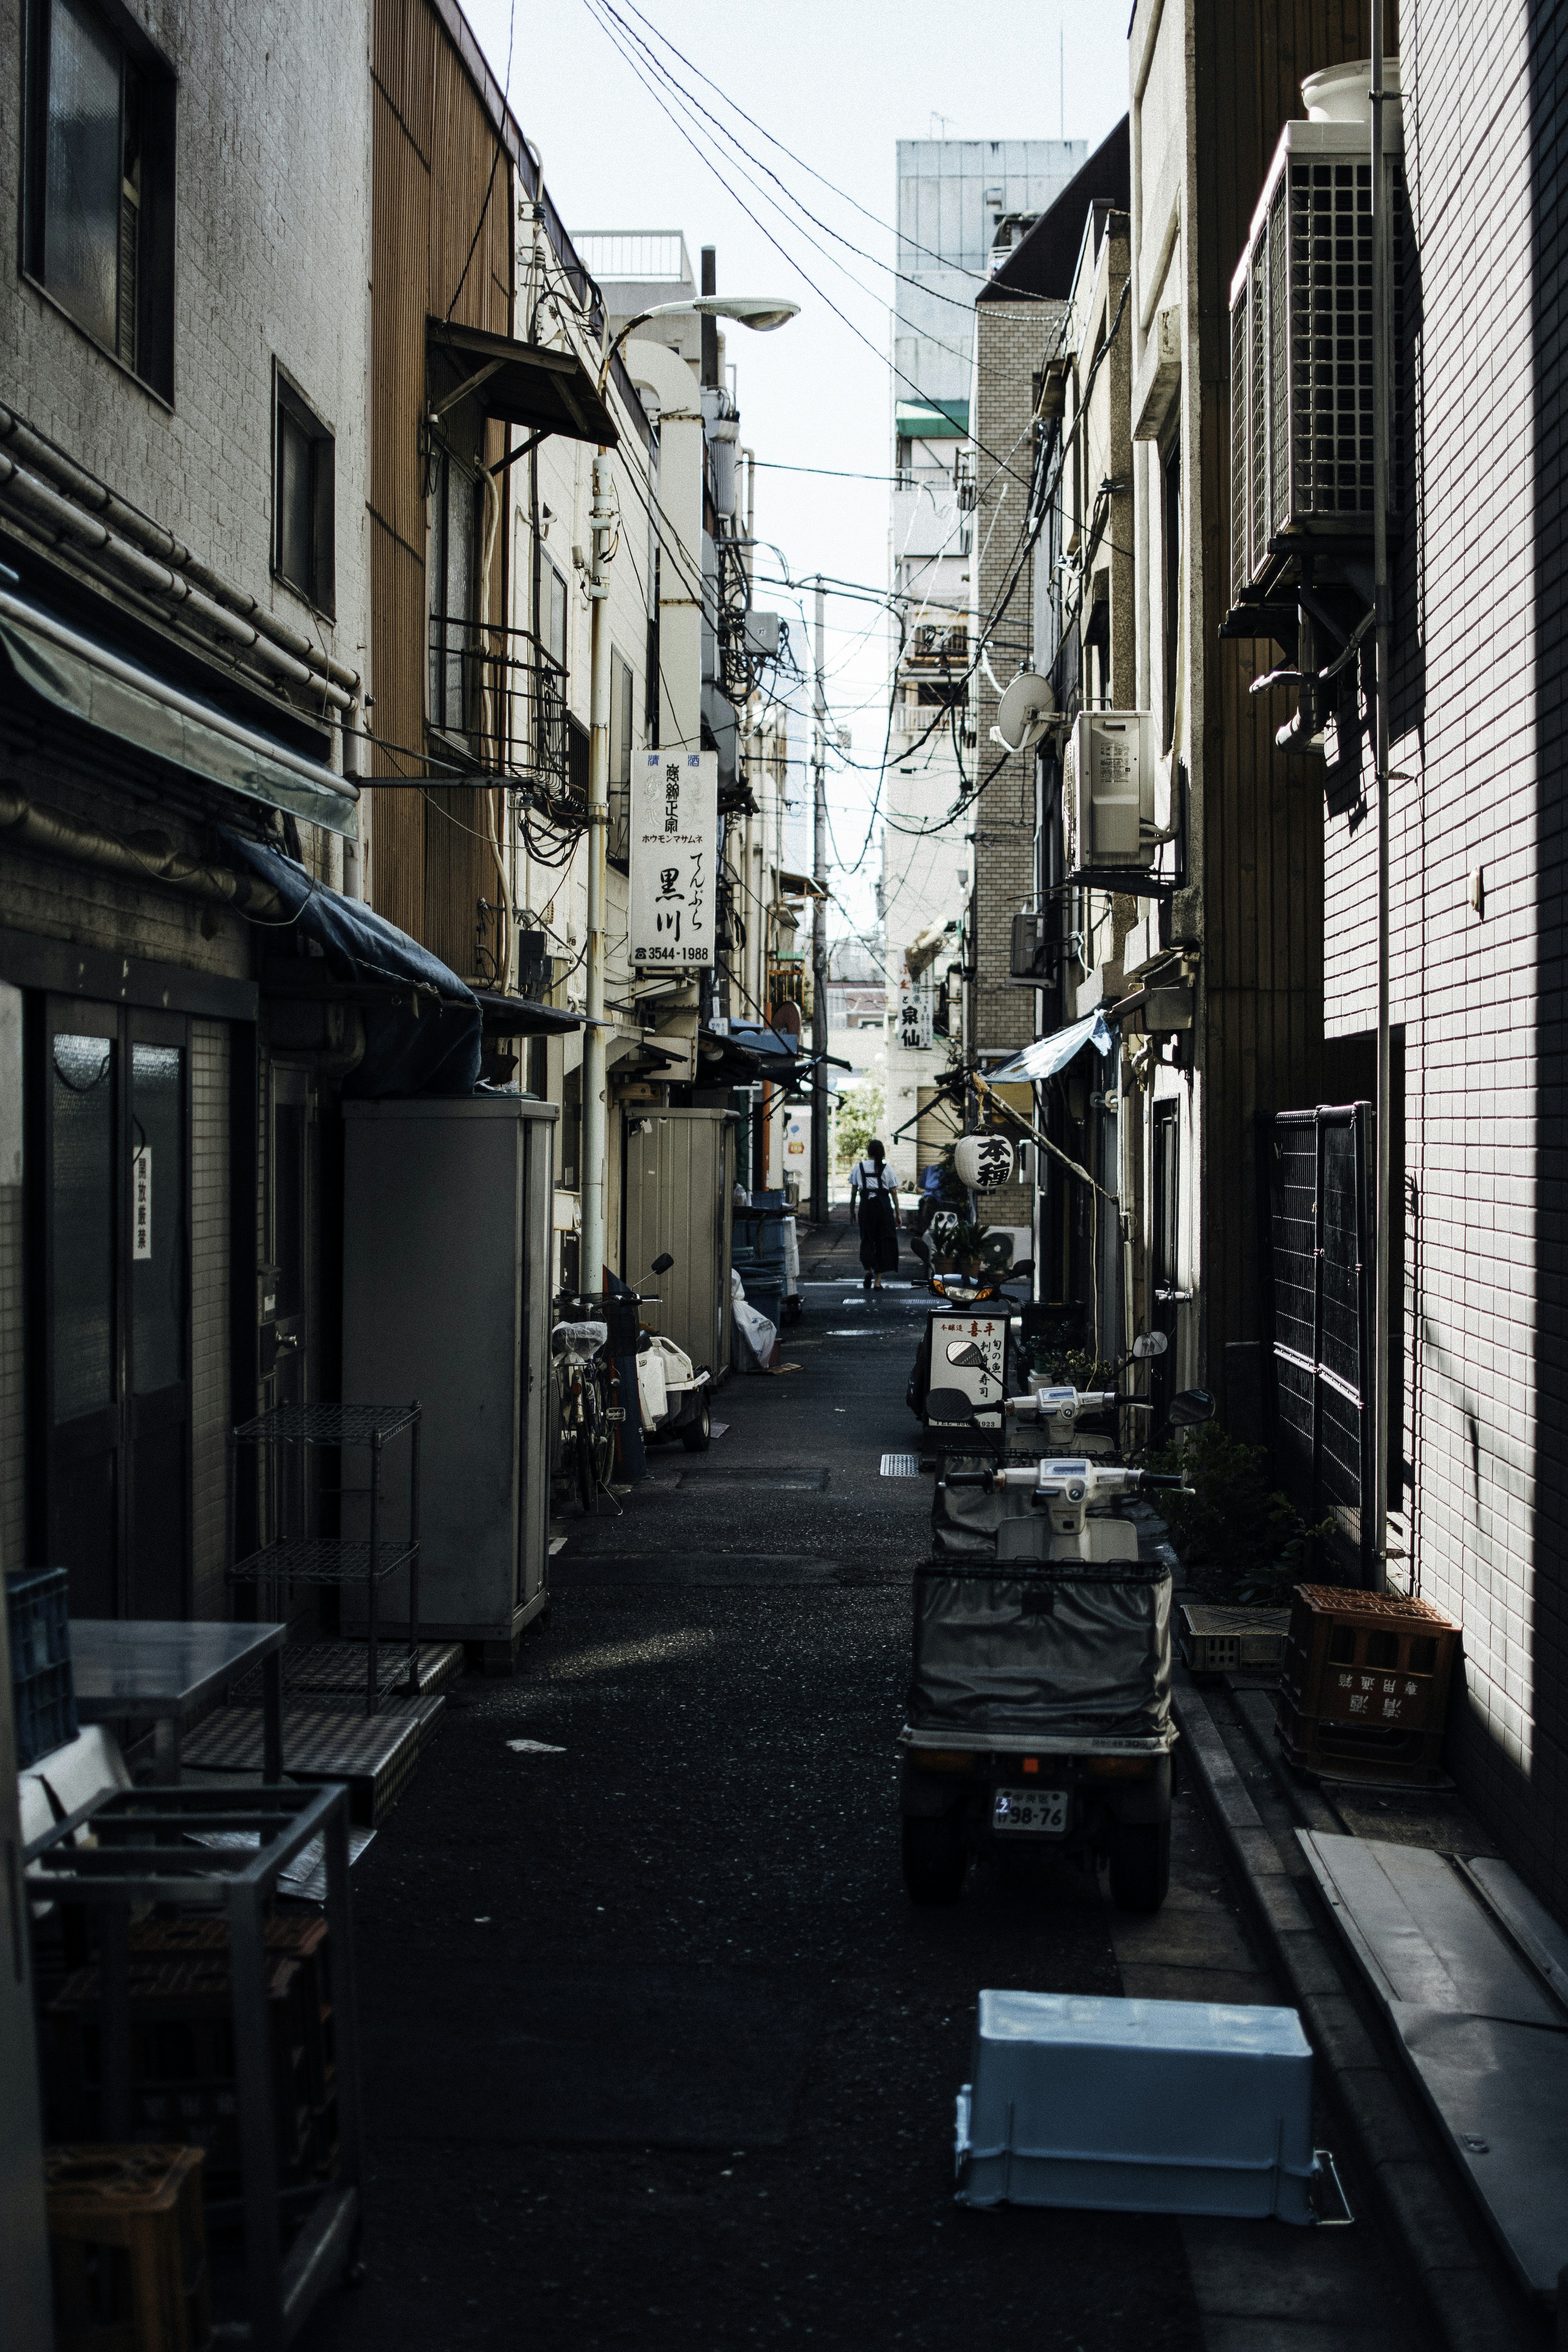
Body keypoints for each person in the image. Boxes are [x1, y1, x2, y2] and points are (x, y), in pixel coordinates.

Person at [849, 1138, 900, 1289]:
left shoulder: (859, 1168)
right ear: (882, 1151)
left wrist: (852, 1211)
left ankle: (867, 1270)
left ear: (868, 1152)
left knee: (867, 1240)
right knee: (883, 1243)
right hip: (883, 1209)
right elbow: (894, 1193)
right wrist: (898, 1213)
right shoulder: (888, 1169)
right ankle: (878, 1283)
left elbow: (853, 1193)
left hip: (866, 1208)